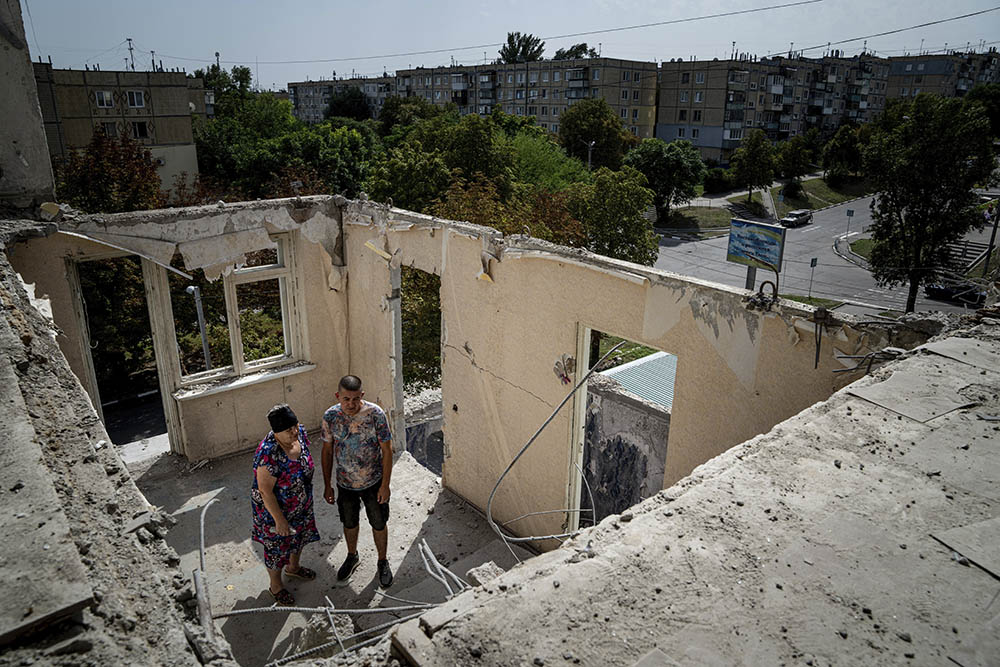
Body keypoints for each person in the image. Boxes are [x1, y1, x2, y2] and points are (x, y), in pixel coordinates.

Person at [321, 375, 394, 588]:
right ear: (338, 396)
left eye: (355, 399)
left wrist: (385, 485)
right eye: (346, 399)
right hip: (345, 484)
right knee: (349, 522)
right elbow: (326, 451)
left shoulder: (375, 415)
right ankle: (352, 556)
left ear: (362, 395)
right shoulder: (331, 417)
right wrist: (327, 484)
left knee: (379, 523)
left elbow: (387, 450)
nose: (351, 404)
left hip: (373, 482)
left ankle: (382, 561)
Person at [251, 404, 320, 605]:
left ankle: (294, 568)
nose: (293, 432)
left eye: (294, 426)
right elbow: (265, 490)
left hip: (300, 503)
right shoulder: (268, 453)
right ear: (275, 432)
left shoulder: (300, 434)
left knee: (298, 537)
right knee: (276, 548)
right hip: (275, 510)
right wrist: (279, 520)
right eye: (287, 430)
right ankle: (276, 586)